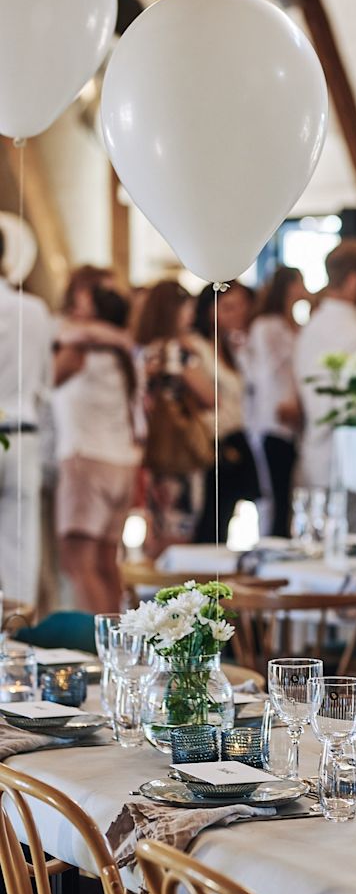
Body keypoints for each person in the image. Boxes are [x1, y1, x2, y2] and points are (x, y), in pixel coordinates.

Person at [52, 267, 140, 612]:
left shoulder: (78, 351)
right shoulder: (123, 355)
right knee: (106, 564)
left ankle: (101, 653)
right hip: (122, 464)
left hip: (86, 459)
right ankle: (123, 645)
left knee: (78, 565)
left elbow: (47, 379)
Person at [135, 280, 215, 556]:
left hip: (152, 449)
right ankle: (175, 593)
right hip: (180, 451)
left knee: (156, 527)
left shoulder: (143, 350)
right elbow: (209, 397)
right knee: (178, 534)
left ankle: (152, 593)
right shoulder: (178, 352)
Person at [294, 239, 356, 489]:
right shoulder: (354, 334)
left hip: (313, 448)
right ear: (353, 280)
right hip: (342, 458)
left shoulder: (312, 326)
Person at [0, 228, 53, 606]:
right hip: (25, 432)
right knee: (20, 548)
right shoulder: (34, 309)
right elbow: (46, 380)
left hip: (17, 429)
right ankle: (16, 638)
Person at [190, 282, 260, 544]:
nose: (238, 314)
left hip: (233, 440)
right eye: (229, 308)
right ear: (210, 310)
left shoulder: (233, 349)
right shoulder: (196, 347)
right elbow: (210, 398)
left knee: (223, 523)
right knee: (208, 523)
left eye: (241, 307)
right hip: (209, 444)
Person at [244, 266, 305, 536]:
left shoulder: (297, 326)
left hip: (296, 419)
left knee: (290, 494)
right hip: (273, 417)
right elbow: (266, 374)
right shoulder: (266, 326)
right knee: (275, 493)